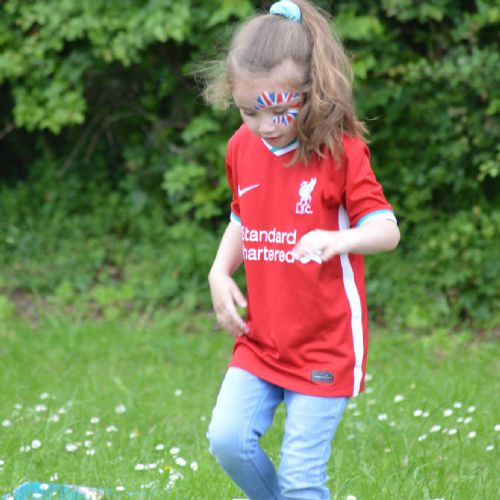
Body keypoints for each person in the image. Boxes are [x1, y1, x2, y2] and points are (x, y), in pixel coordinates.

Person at [204, 1, 400, 498]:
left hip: (323, 345)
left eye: (278, 110)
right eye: (249, 111)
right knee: (227, 441)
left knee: (300, 481)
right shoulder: (242, 147)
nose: (265, 125)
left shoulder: (341, 152)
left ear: (311, 92)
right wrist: (219, 272)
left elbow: (386, 230)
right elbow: (242, 217)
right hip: (261, 340)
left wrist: (339, 240)